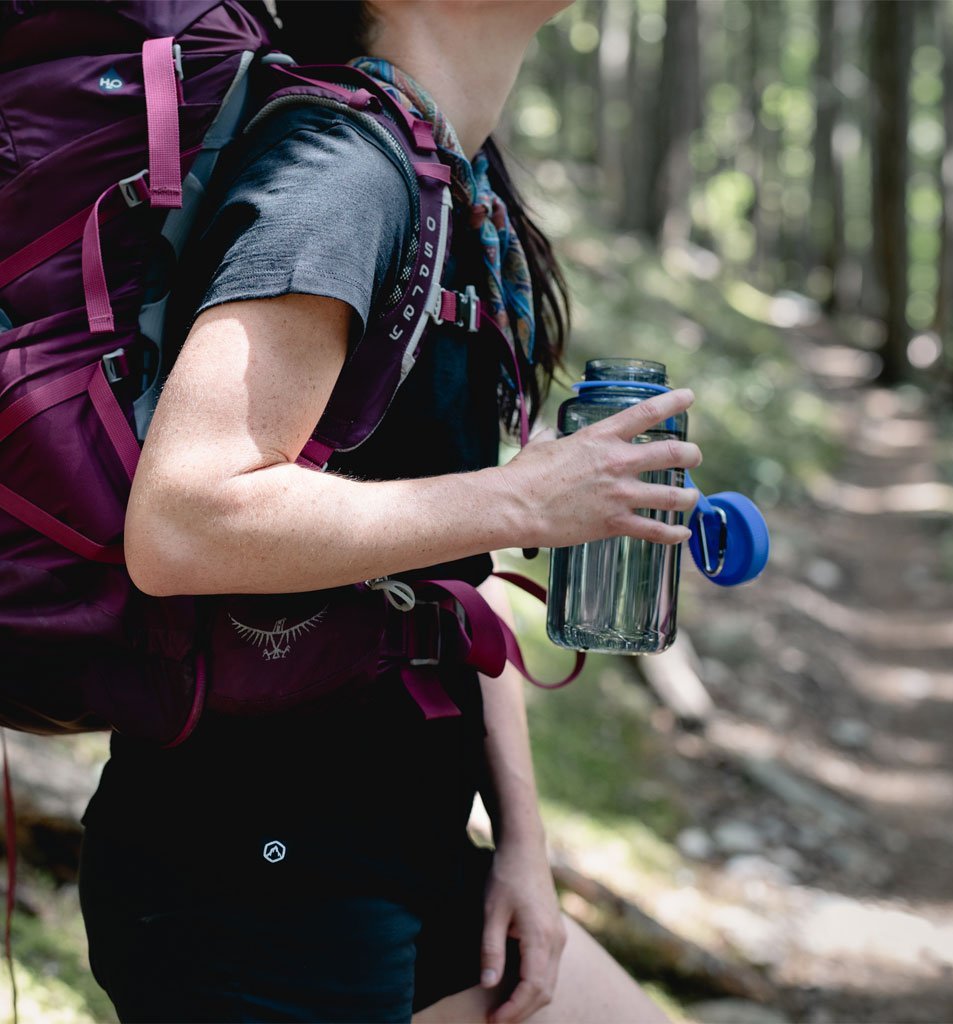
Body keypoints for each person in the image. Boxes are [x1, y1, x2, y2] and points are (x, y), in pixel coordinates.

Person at [77, 1, 702, 1021]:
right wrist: (523, 497)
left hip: (397, 842)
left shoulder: (454, 176)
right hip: (258, 877)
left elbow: (439, 581)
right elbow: (183, 520)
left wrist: (523, 847)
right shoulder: (340, 167)